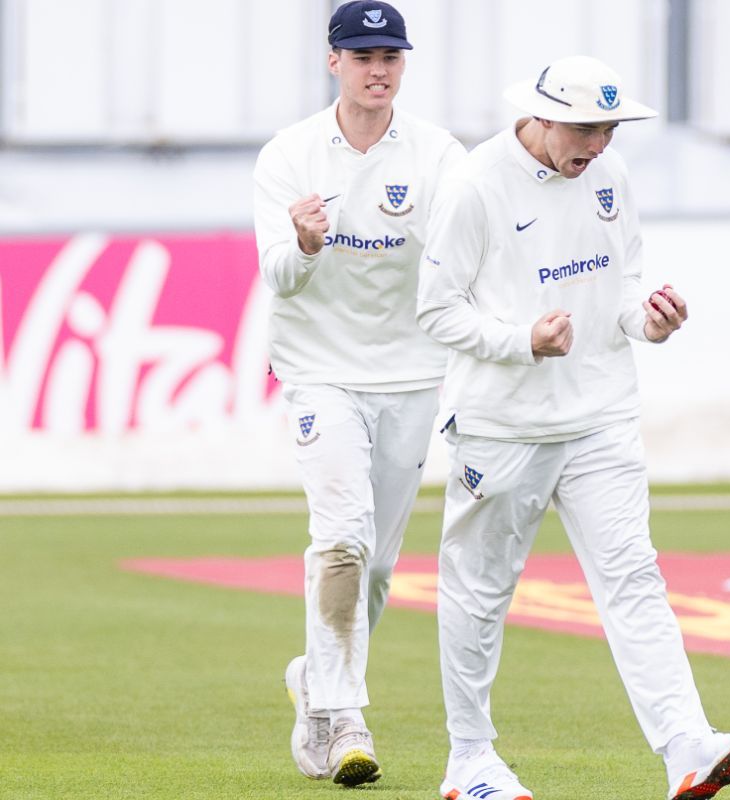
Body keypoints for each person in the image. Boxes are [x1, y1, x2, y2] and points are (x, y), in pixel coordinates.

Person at [415, 55, 730, 800]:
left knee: (635, 575)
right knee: (480, 591)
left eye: (608, 127)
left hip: (600, 413)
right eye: (583, 128)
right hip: (502, 425)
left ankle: (685, 747)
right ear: (539, 117)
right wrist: (522, 341)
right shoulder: (476, 185)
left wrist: (651, 322)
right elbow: (435, 310)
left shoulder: (610, 175)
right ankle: (469, 758)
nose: (597, 143)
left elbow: (623, 286)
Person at [252, 0, 464, 786]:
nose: (379, 70)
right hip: (319, 371)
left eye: (392, 57)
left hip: (411, 373)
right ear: (333, 61)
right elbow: (275, 272)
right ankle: (341, 717)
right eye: (363, 56)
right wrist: (305, 243)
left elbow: (465, 253)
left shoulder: (440, 154)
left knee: (374, 565)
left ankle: (317, 677)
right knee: (340, 536)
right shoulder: (290, 154)